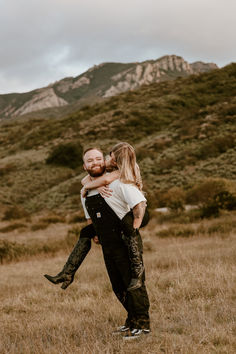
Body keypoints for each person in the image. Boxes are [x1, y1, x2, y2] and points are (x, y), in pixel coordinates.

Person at [44, 143, 149, 292]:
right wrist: (94, 184)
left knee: (128, 227)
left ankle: (138, 270)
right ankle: (67, 272)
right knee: (86, 231)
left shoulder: (123, 170)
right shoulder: (108, 165)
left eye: (113, 160)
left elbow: (105, 181)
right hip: (128, 213)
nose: (109, 162)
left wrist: (135, 228)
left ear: (120, 161)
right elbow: (85, 180)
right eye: (110, 157)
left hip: (139, 210)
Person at [80, 147, 150, 338]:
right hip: (108, 245)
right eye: (89, 160)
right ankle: (131, 321)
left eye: (97, 159)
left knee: (134, 283)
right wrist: (93, 232)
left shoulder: (119, 181)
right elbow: (89, 216)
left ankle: (143, 325)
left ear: (105, 161)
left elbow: (140, 202)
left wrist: (135, 227)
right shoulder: (84, 190)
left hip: (126, 241)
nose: (94, 163)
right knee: (118, 285)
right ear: (84, 165)